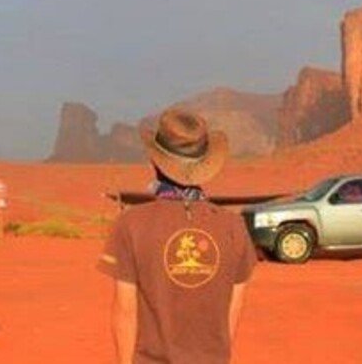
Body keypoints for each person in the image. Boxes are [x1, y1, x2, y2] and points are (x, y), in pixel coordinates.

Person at [98, 108, 256, 364]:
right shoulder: (233, 227)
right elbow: (232, 313)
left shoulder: (131, 224)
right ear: (206, 162)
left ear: (155, 161)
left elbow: (125, 312)